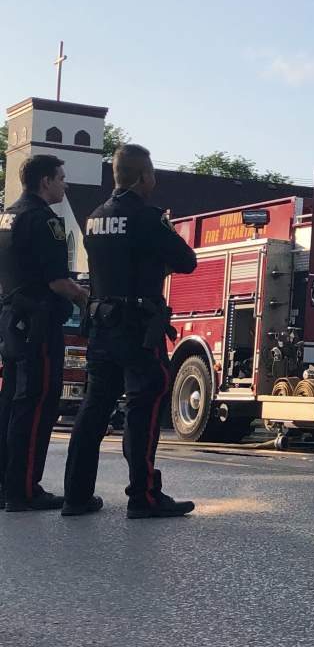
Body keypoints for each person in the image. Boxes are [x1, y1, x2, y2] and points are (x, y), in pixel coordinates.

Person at [62, 144, 198, 518]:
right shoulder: (147, 217)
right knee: (145, 404)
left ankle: (75, 496)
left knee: (93, 409)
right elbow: (187, 261)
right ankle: (144, 496)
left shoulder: (94, 217)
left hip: (102, 326)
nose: (154, 180)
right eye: (152, 173)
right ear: (142, 177)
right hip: (139, 329)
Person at [0, 155, 89, 512]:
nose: (65, 185)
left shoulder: (7, 216)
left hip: (11, 321)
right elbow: (58, 281)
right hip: (39, 322)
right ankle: (25, 489)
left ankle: (6, 484)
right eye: (61, 178)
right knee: (37, 403)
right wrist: (88, 301)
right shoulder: (45, 220)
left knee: (10, 402)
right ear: (45, 181)